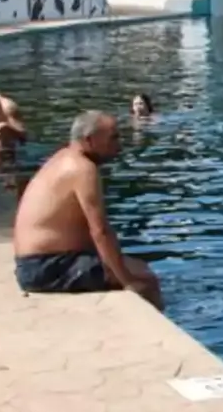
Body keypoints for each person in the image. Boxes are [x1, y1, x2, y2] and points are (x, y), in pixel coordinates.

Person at [12, 111, 163, 308]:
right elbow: (100, 231)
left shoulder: (63, 158)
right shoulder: (83, 169)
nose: (119, 146)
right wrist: (127, 281)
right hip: (46, 268)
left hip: (36, 264)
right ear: (90, 140)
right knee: (145, 278)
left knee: (132, 266)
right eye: (113, 138)